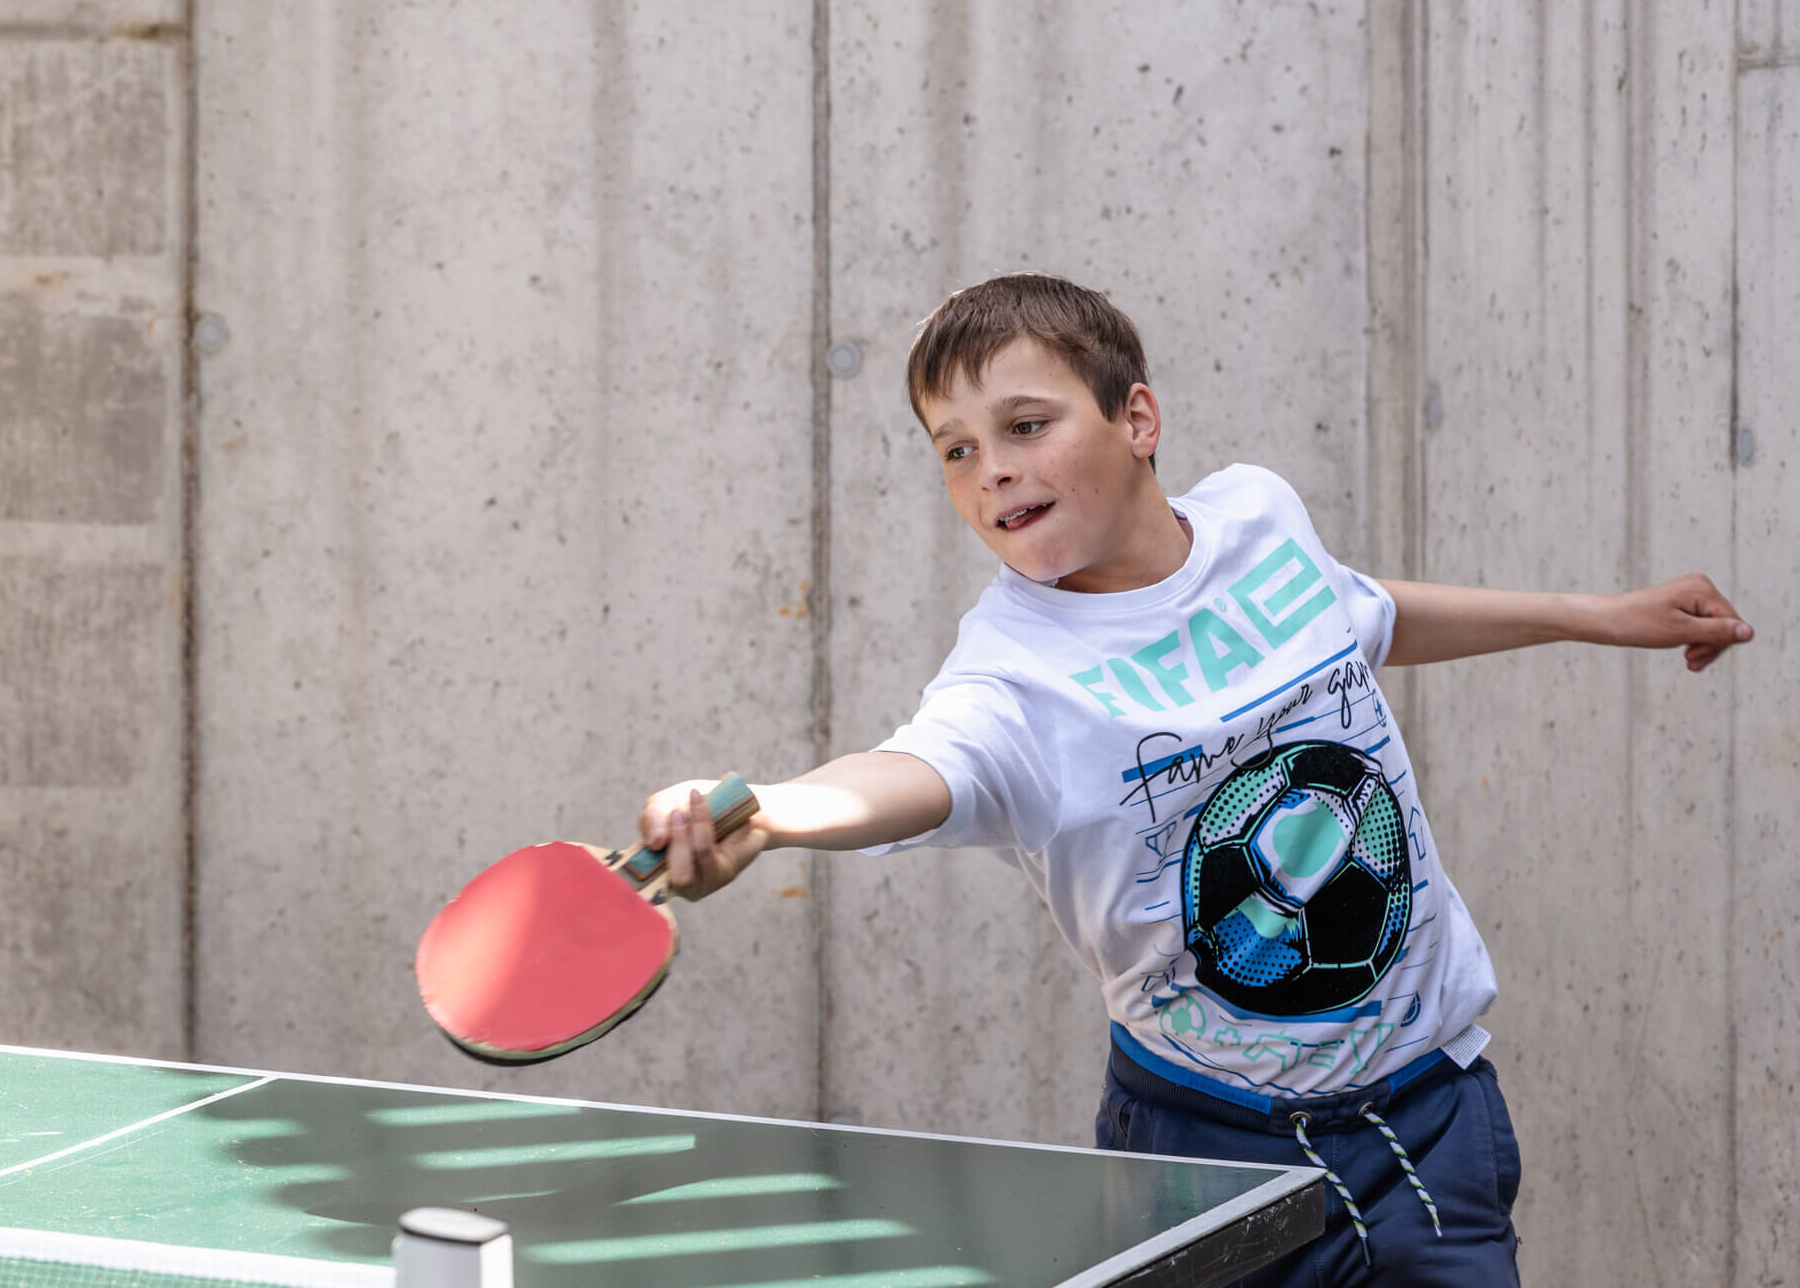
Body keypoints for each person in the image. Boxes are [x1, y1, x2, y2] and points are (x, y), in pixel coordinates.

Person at [636, 273, 1751, 1286]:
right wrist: (771, 814)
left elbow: (1361, 615)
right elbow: (914, 771)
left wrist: (1597, 616)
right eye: (955, 449)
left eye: (1024, 425)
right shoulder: (1012, 677)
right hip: (1205, 1143)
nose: (992, 469)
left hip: (1430, 1118)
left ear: (1136, 420)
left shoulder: (1259, 519)